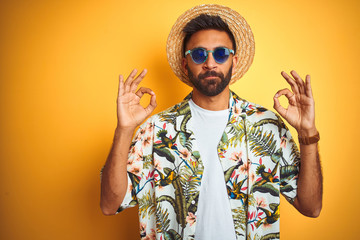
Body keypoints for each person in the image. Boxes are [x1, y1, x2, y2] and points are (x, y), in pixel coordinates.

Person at [100, 4, 322, 240]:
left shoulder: (267, 126)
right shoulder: (156, 129)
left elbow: (311, 207)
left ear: (234, 61)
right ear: (186, 64)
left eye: (220, 53)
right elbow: (109, 205)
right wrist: (124, 130)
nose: (210, 63)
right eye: (198, 54)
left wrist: (308, 133)